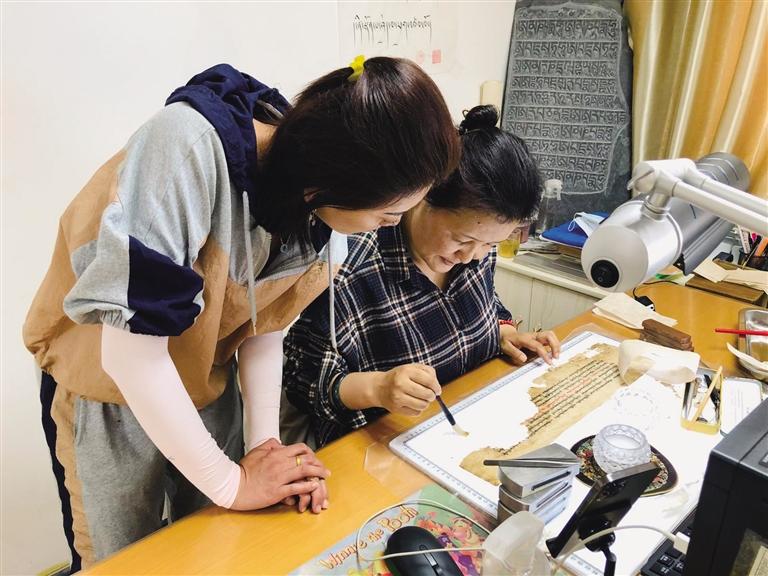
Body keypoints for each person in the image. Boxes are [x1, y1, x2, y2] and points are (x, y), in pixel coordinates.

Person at [23, 57, 460, 569]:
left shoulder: (314, 199)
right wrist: (233, 483)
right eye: (387, 214)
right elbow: (131, 355)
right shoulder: (186, 149)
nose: (387, 227)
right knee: (121, 559)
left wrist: (266, 448)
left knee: (215, 547)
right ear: (338, 180)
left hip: (205, 379)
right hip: (107, 393)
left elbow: (265, 325)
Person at [282, 105, 561, 449]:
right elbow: (301, 381)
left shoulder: (476, 251)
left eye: (491, 244)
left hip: (472, 425)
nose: (472, 256)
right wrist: (378, 388)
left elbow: (487, 302)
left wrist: (505, 333)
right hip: (383, 448)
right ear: (425, 195)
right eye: (462, 240)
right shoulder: (350, 267)